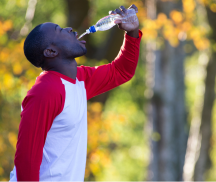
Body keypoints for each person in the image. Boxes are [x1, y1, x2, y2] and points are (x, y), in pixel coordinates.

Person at [9, 4, 142, 182]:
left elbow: (121, 72)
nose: (69, 29)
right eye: (59, 30)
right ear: (51, 51)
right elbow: (26, 158)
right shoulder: (45, 91)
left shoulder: (79, 79)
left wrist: (131, 33)